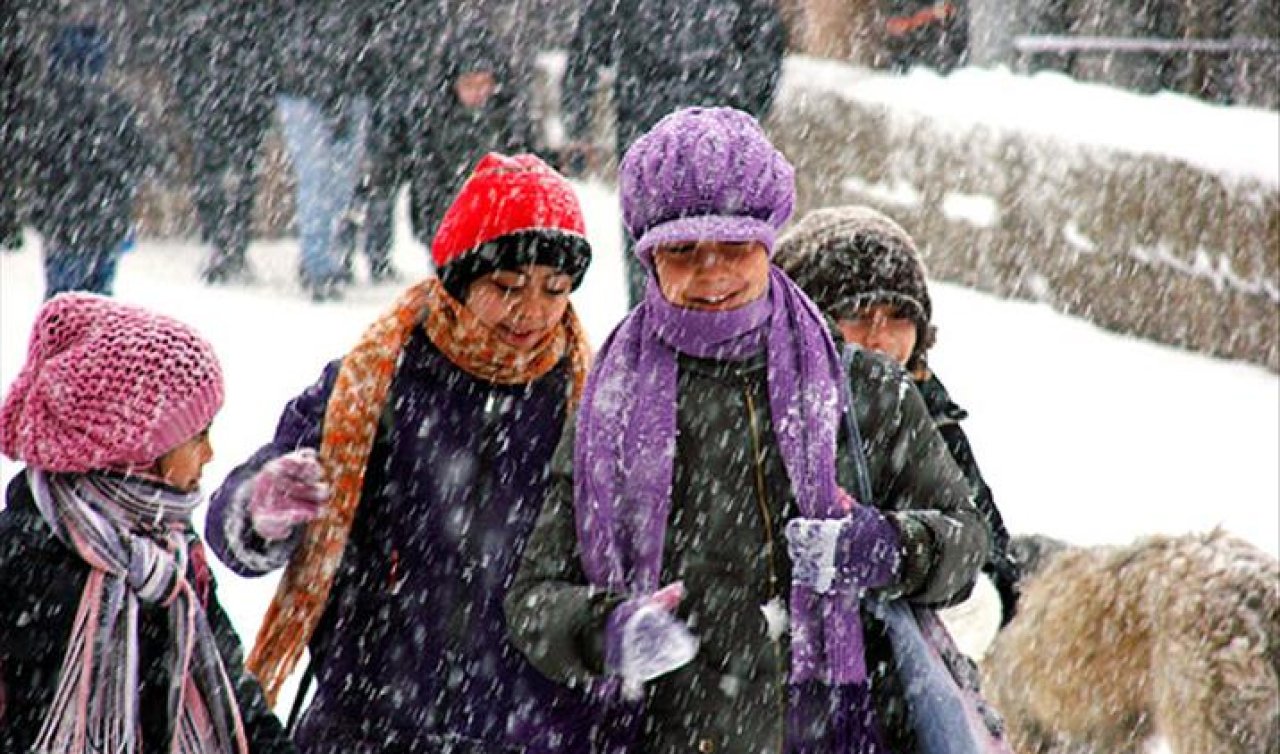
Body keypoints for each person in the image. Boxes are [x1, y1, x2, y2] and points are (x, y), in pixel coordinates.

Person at [505, 107, 989, 753]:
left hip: (845, 728)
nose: (712, 273)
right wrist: (608, 631)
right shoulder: (611, 406)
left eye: (734, 247)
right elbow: (535, 598)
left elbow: (967, 544)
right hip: (675, 734)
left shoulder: (863, 389)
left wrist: (891, 548)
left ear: (767, 241)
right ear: (648, 258)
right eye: (681, 251)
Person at [205, 153, 597, 753]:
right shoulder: (376, 380)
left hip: (523, 725)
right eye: (508, 286)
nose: (534, 311)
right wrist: (261, 505)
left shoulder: (583, 397)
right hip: (373, 714)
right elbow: (237, 533)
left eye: (556, 290)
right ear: (461, 279)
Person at [0, 293, 292, 753]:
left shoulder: (173, 549)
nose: (210, 454)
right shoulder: (22, 558)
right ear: (136, 447)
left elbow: (231, 691)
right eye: (197, 436)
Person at [775, 205, 1020, 629]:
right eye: (855, 314)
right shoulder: (772, 409)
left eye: (898, 318)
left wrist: (906, 557)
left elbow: (988, 554)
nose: (879, 338)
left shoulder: (932, 416)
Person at [560, 0, 787, 306]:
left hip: (671, 119)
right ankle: (670, 322)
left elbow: (586, 50)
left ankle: (695, 321)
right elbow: (587, 47)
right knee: (673, 238)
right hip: (681, 120)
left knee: (684, 238)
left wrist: (746, 105)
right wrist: (746, 105)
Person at [24, 23, 148, 297]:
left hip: (63, 223)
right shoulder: (115, 109)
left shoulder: (48, 109)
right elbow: (139, 159)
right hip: (105, 224)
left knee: (62, 303)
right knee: (100, 304)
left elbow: (35, 160)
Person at [167, 0, 278, 284]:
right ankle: (225, 245)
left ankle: (228, 245)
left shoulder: (214, 19)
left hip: (232, 101)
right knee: (227, 177)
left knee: (228, 178)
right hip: (226, 100)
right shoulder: (218, 20)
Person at [274, 0, 375, 301]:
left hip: (349, 87)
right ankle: (318, 263)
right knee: (317, 179)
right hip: (306, 89)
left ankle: (327, 256)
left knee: (341, 185)